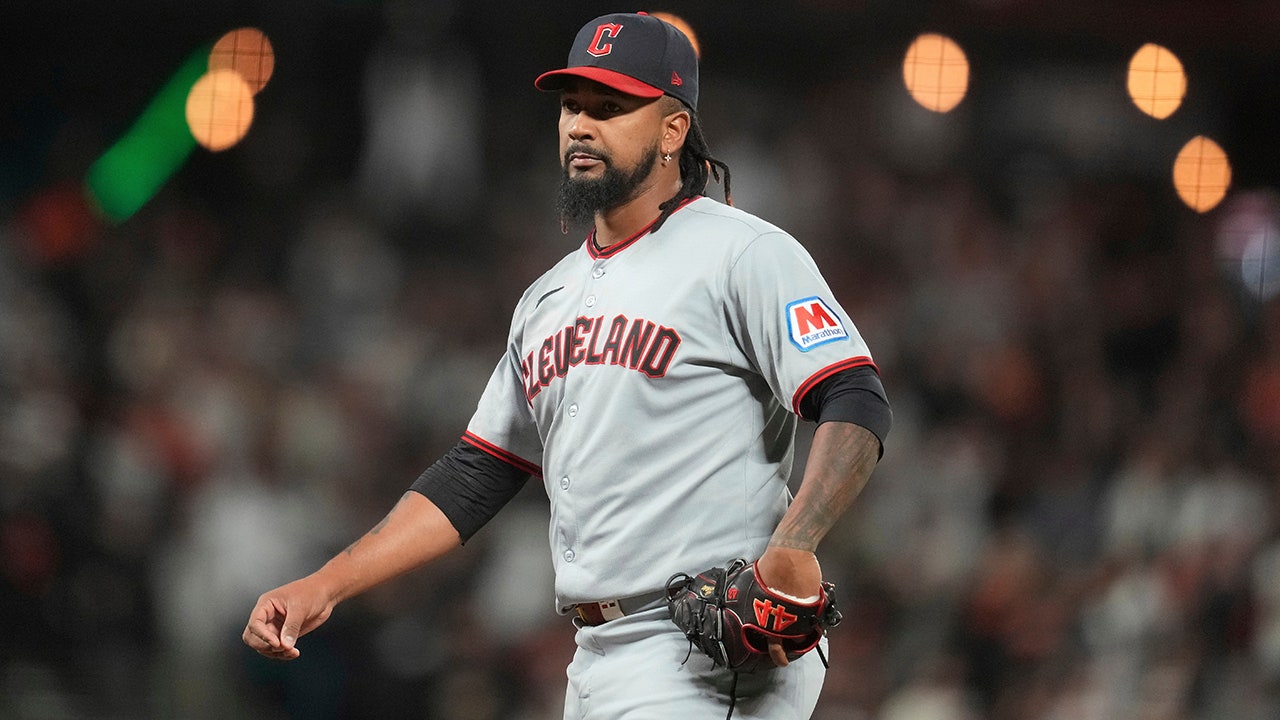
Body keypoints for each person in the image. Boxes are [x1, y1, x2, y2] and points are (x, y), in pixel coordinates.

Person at [243, 11, 890, 719]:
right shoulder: (546, 300)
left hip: (710, 646)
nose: (581, 126)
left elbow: (855, 396)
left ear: (673, 129)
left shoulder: (743, 253)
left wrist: (796, 541)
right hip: (595, 657)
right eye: (572, 106)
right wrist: (324, 586)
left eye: (609, 108)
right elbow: (476, 473)